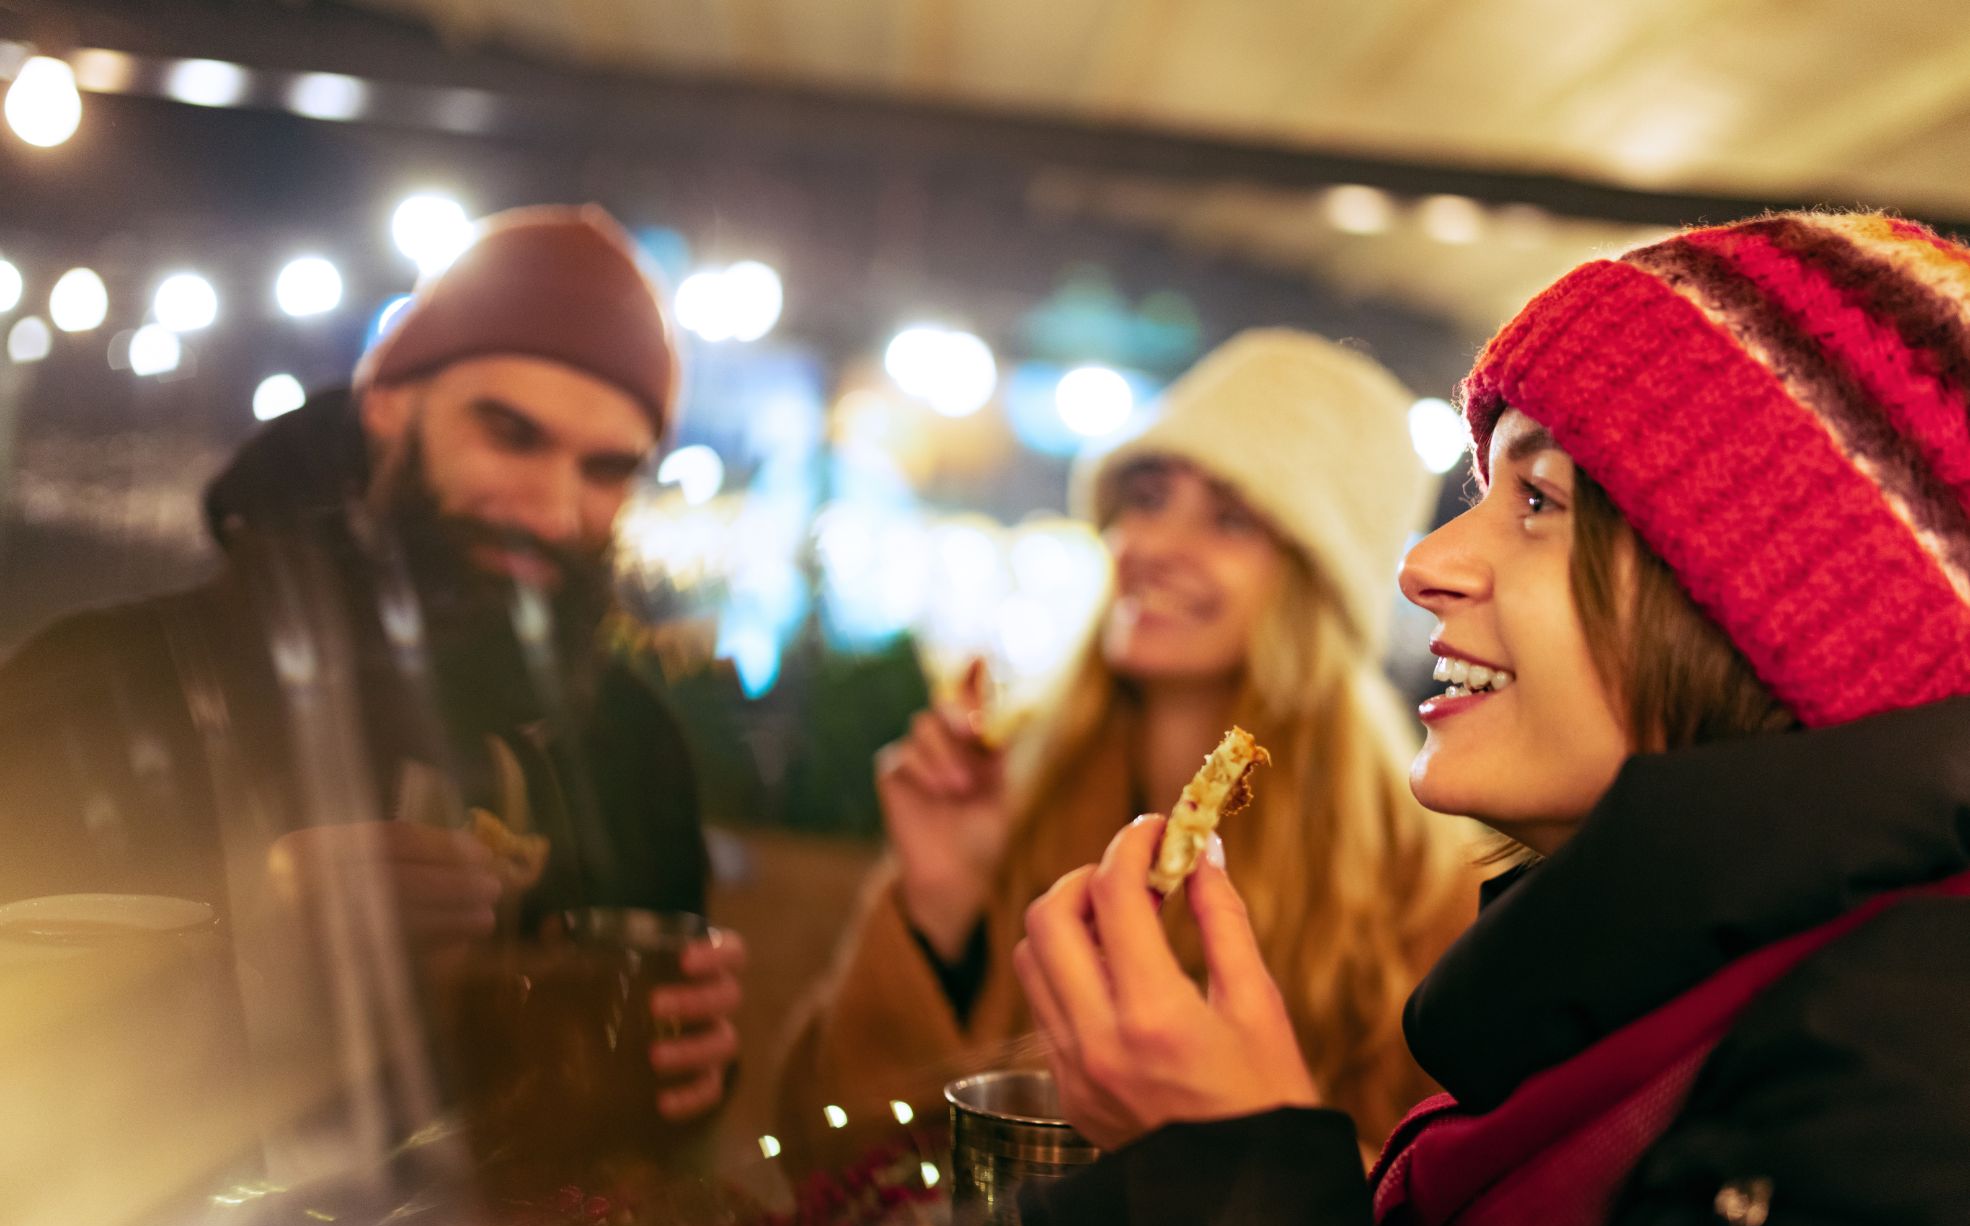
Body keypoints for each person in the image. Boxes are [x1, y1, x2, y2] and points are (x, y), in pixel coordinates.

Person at [1014, 210, 1970, 1226]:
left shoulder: (1907, 1088)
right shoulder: (1618, 1014)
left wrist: (1233, 1175)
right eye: (1480, 493)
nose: (1421, 562)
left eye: (1536, 499)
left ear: (1774, 601)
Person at [0, 206, 744, 1124]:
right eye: (511, 434)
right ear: (389, 409)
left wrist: (694, 1076)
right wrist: (248, 953)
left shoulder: (634, 752)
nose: (554, 509)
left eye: (604, 469)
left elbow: (647, 1154)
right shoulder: (105, 690)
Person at [777, 329, 1477, 1169]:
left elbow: (1438, 1219)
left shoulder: (1423, 877)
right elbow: (826, 1162)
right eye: (1146, 498)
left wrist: (1240, 1136)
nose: (1153, 546)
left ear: (1318, 587)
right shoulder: (1007, 785)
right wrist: (938, 913)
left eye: (1228, 518)